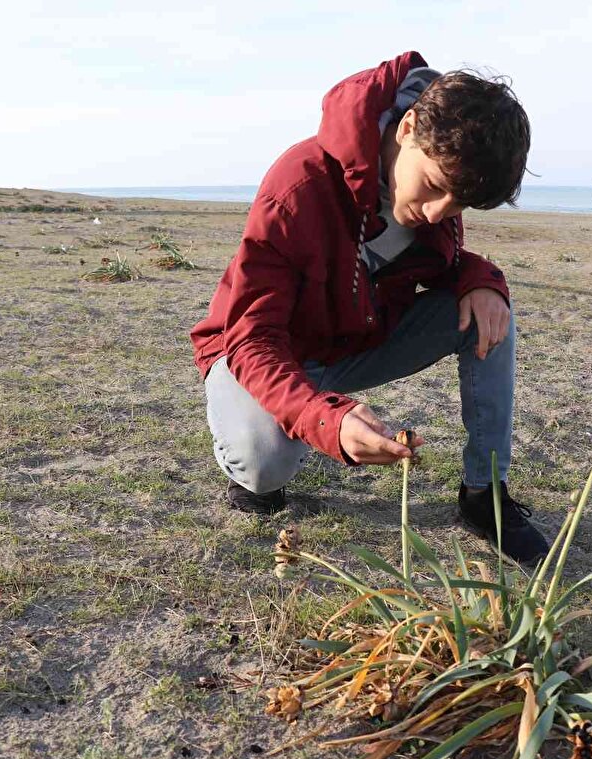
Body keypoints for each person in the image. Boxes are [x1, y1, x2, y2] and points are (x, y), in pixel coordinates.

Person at [189, 52, 549, 564]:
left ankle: (483, 495)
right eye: (432, 188)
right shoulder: (300, 184)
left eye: (458, 205)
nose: (435, 213)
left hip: (353, 345)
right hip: (255, 353)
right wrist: (326, 422)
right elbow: (252, 337)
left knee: (489, 313)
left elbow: (444, 264)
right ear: (406, 128)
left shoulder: (437, 194)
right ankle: (254, 475)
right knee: (266, 465)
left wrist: (483, 280)